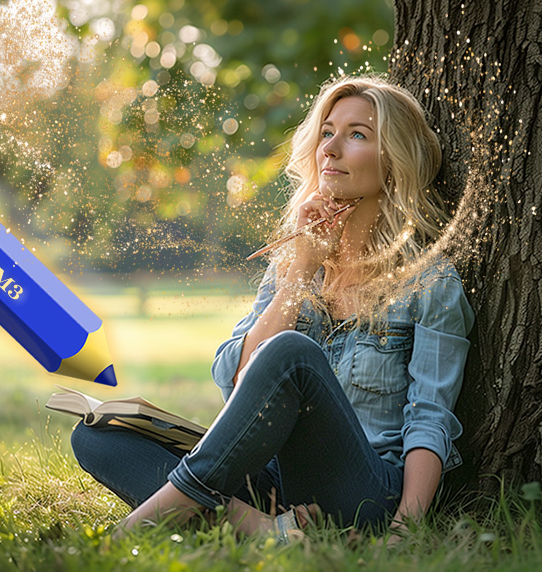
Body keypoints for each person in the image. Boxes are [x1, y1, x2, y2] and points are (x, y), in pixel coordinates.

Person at [70, 75, 475, 542]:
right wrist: (299, 274)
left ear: (394, 161)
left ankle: (153, 517)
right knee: (97, 436)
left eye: (357, 134)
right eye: (326, 132)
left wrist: (405, 530)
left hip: (360, 493)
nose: (331, 148)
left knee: (291, 353)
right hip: (274, 483)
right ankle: (267, 532)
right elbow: (234, 378)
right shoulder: (294, 263)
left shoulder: (430, 282)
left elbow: (430, 419)